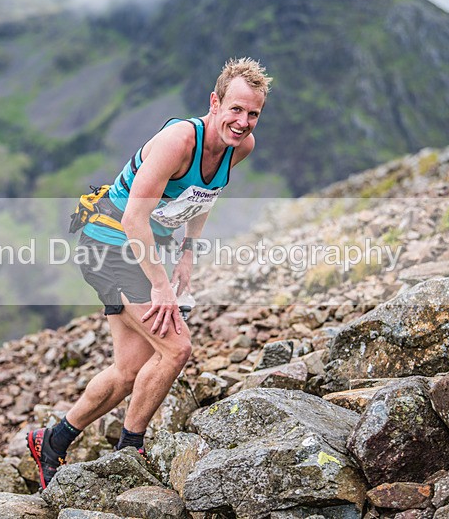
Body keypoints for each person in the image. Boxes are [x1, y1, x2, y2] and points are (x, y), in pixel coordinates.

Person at [27, 57, 272, 490]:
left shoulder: (242, 146)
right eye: (235, 109)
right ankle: (129, 452)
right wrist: (161, 286)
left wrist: (188, 254)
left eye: (253, 113)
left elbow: (204, 196)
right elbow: (133, 220)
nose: (243, 122)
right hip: (107, 243)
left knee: (129, 369)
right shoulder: (178, 141)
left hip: (143, 250)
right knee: (176, 349)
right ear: (214, 103)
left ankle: (52, 440)